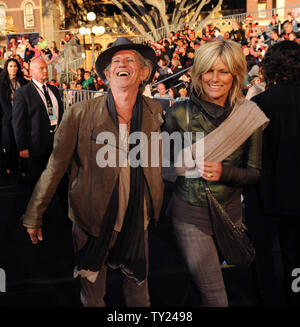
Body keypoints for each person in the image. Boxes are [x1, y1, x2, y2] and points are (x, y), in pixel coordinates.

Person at [21, 37, 164, 307]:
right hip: (91, 221)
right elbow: (55, 167)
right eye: (115, 62)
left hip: (136, 222)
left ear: (143, 72)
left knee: (139, 297)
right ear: (107, 74)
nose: (122, 64)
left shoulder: (155, 113)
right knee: (93, 297)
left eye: (130, 59)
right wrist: (34, 213)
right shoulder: (79, 113)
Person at [163, 39, 269, 307]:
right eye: (209, 70)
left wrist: (224, 172)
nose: (215, 78)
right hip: (189, 214)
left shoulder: (250, 114)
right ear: (198, 73)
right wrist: (179, 165)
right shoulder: (178, 113)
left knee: (201, 284)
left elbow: (255, 173)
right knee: (215, 295)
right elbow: (163, 167)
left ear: (235, 74)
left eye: (223, 71)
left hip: (230, 215)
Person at [245, 40, 300, 307]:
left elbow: (248, 153)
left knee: (263, 255)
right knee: (295, 257)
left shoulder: (260, 103)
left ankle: (268, 299)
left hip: (263, 195)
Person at [12, 58, 64, 190]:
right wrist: (22, 147)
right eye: (41, 68)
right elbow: (18, 123)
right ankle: (36, 210)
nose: (45, 70)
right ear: (31, 72)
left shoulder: (54, 90)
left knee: (57, 182)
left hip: (55, 144)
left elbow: (61, 115)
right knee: (37, 185)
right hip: (35, 146)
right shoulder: (23, 93)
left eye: (46, 67)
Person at [0, 58, 28, 176]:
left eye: (15, 66)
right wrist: (12, 116)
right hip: (8, 116)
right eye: (10, 66)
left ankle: (23, 168)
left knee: (21, 142)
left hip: (22, 116)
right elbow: (2, 101)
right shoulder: (2, 83)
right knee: (9, 143)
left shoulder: (23, 82)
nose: (13, 68)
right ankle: (10, 166)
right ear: (6, 68)